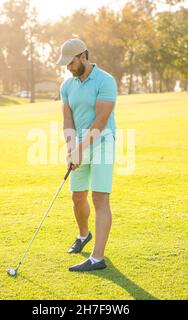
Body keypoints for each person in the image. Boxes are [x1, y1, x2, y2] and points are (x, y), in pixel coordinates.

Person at [56, 38, 117, 272]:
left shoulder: (105, 81)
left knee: (100, 198)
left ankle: (97, 258)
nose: (68, 67)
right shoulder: (67, 85)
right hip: (79, 144)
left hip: (102, 142)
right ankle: (84, 235)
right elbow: (67, 118)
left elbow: (101, 121)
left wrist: (79, 149)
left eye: (70, 62)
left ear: (83, 57)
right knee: (77, 197)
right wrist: (71, 147)